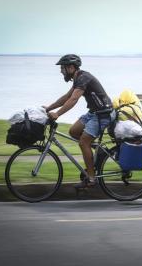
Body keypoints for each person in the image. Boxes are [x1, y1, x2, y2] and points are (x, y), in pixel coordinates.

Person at [44, 54, 112, 189]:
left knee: (83, 142)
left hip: (103, 114)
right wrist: (49, 108)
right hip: (94, 113)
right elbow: (67, 97)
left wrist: (57, 114)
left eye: (62, 68)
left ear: (70, 67)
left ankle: (91, 178)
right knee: (73, 131)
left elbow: (73, 100)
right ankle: (99, 151)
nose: (61, 71)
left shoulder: (83, 78)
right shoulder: (78, 77)